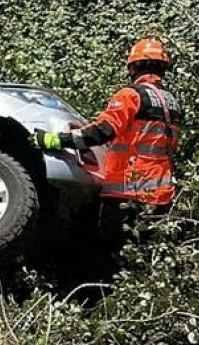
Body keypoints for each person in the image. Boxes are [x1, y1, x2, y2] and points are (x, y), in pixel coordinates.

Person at [31, 38, 183, 240]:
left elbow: (102, 131)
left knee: (111, 255)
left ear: (134, 67)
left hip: (128, 193)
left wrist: (55, 140)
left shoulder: (131, 95)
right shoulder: (172, 103)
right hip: (161, 195)